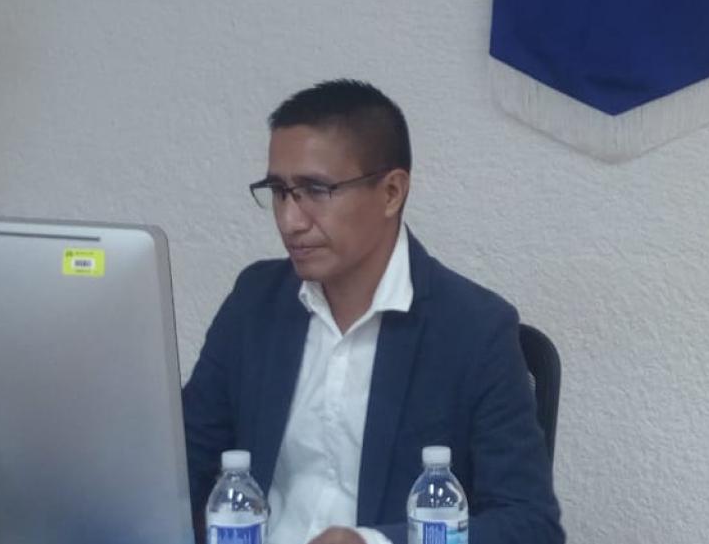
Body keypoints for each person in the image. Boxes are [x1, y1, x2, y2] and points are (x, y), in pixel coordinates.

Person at [182, 80, 564, 544]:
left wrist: (374, 543)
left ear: (391, 192)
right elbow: (182, 466)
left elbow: (530, 525)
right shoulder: (256, 301)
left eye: (315, 190)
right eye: (280, 191)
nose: (289, 220)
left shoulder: (473, 329)